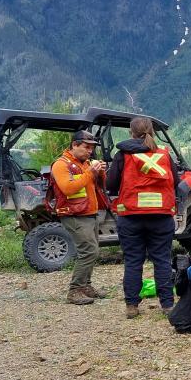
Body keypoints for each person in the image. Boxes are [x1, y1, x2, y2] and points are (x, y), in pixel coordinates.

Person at [105, 116, 180, 318]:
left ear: (131, 133)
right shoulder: (164, 155)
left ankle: (132, 306)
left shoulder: (122, 155)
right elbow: (176, 182)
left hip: (130, 217)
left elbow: (111, 185)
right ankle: (167, 305)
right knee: (162, 261)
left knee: (133, 262)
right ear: (152, 133)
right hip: (161, 217)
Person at [50, 130, 109, 305]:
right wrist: (91, 172)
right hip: (74, 215)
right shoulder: (61, 165)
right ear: (74, 145)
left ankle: (86, 286)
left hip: (89, 214)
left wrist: (100, 173)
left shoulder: (85, 163)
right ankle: (75, 290)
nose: (90, 151)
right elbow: (68, 188)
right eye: (86, 147)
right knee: (89, 251)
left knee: (92, 251)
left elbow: (95, 185)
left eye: (91, 148)